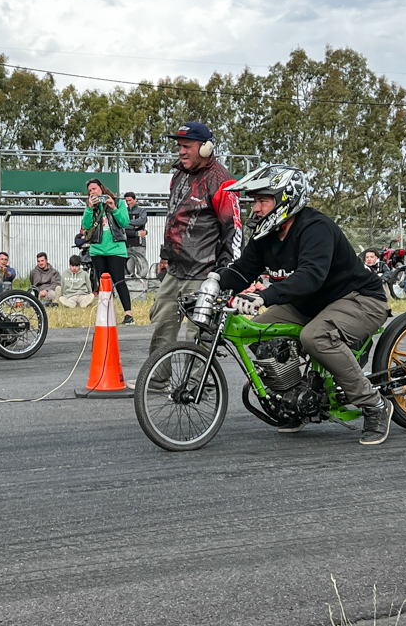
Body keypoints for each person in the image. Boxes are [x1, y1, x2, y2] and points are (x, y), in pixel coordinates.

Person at [215, 163, 392, 446]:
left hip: (359, 298)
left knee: (315, 336)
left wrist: (264, 296)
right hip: (310, 304)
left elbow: (310, 276)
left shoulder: (315, 228)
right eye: (255, 201)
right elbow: (242, 271)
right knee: (255, 331)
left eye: (263, 201)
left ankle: (375, 405)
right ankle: (296, 401)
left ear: (285, 199)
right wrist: (212, 283)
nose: (256, 208)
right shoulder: (265, 235)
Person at [149, 121, 241, 355]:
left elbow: (233, 231)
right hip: (175, 271)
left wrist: (226, 274)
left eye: (187, 146)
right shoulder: (178, 175)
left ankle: (200, 380)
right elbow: (173, 219)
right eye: (179, 146)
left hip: (203, 273)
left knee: (198, 338)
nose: (181, 151)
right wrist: (164, 256)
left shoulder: (223, 181)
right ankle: (156, 378)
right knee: (161, 330)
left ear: (205, 148)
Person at [81, 179, 134, 324]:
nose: (92, 192)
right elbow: (86, 225)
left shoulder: (118, 202)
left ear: (101, 187)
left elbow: (124, 222)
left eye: (94, 188)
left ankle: (128, 314)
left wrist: (113, 207)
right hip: (97, 249)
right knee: (103, 283)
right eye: (90, 190)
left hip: (116, 249)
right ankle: (105, 314)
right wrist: (89, 208)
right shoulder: (91, 206)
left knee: (119, 281)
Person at [123, 191, 149, 279]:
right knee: (127, 269)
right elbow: (121, 226)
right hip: (126, 244)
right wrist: (135, 228)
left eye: (130, 200)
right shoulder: (123, 211)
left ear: (135, 200)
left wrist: (127, 223)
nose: (128, 203)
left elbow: (142, 221)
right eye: (126, 201)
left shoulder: (142, 210)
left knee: (141, 269)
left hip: (139, 244)